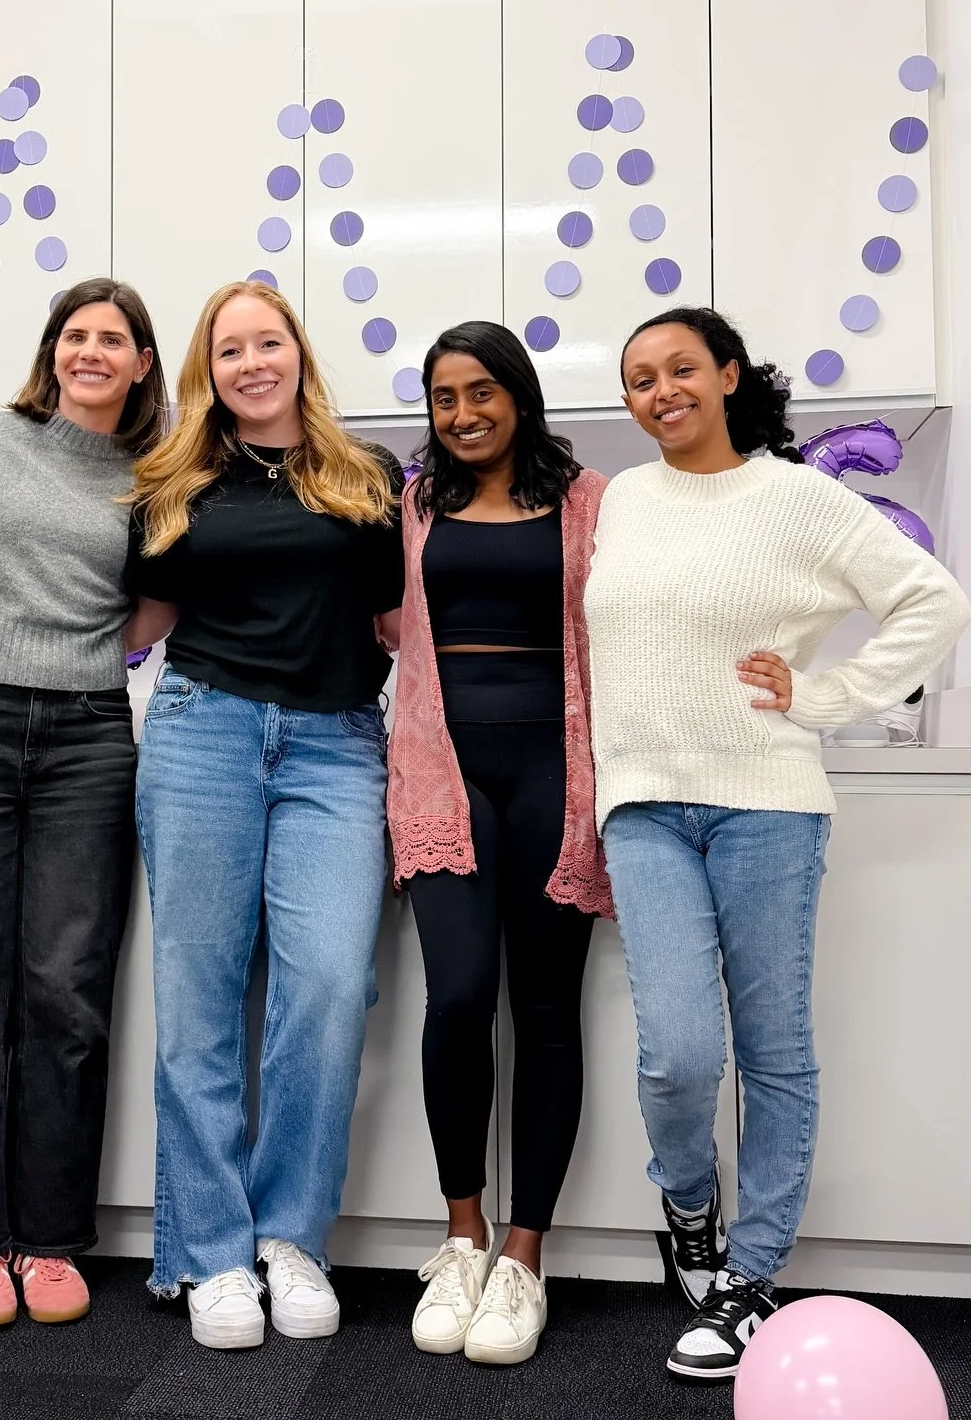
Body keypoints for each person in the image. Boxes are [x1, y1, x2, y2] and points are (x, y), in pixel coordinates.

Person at [585, 306, 970, 1381]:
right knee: (677, 1053)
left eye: (681, 369)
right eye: (640, 379)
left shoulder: (799, 498)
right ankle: (689, 1206)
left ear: (727, 376)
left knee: (773, 1049)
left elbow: (933, 601)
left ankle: (752, 1276)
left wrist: (827, 694)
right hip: (643, 805)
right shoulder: (623, 501)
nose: (661, 392)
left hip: (767, 802)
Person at [125, 279, 403, 1350]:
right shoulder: (173, 480)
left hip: (336, 748)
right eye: (229, 348)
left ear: (299, 353)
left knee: (328, 986)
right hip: (202, 734)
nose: (252, 363)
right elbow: (140, 623)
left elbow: (398, 625)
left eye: (267, 342)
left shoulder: (365, 475)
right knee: (197, 1000)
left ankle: (290, 1238)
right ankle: (209, 1253)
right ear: (209, 368)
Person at [0, 278, 168, 1330]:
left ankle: (51, 1236)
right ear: (53, 350)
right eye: (75, 334)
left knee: (67, 988)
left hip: (89, 736)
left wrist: (95, 653)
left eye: (113, 338)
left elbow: (157, 601)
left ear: (142, 363)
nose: (91, 351)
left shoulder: (155, 475)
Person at [386, 321, 610, 1364]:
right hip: (443, 767)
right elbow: (388, 623)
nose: (464, 413)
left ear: (519, 396)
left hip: (558, 772)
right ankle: (462, 1237)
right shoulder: (415, 504)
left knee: (548, 1008)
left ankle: (525, 1256)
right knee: (460, 995)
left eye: (481, 392)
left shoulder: (588, 499)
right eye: (444, 397)